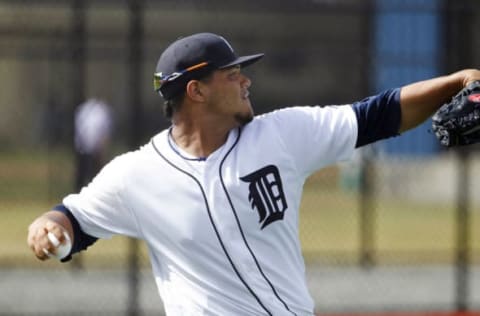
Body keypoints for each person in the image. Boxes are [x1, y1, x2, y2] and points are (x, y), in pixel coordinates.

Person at [27, 32, 480, 315]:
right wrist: (48, 227)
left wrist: (458, 80)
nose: (246, 80)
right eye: (233, 74)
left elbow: (379, 114)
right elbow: (72, 220)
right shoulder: (136, 174)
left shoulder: (281, 134)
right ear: (196, 90)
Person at [74, 98, 113, 191]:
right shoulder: (84, 110)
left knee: (95, 175)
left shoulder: (102, 111)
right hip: (83, 149)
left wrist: (102, 148)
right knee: (82, 175)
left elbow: (105, 132)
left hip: (96, 150)